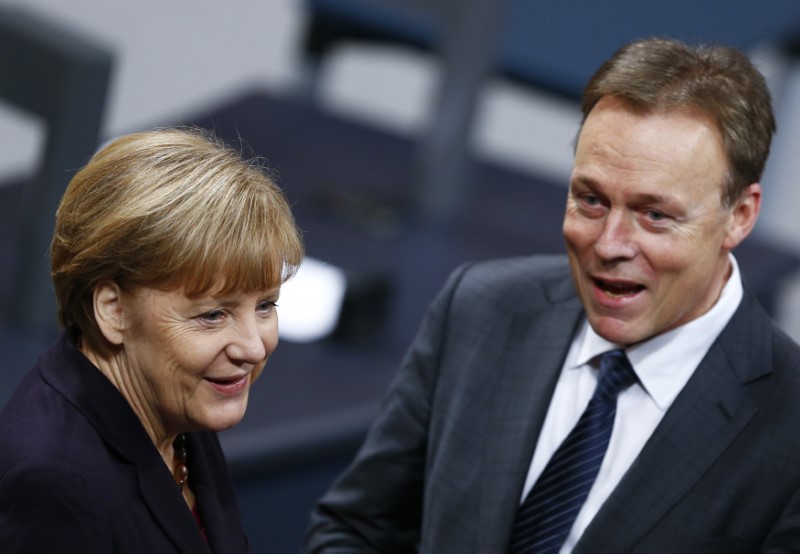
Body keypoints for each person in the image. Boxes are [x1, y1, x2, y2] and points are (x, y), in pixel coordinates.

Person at [304, 37, 800, 552]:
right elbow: (356, 531)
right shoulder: (480, 310)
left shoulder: (789, 430)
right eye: (590, 200)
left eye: (655, 215)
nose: (609, 244)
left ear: (739, 216)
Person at [0, 128, 304, 552]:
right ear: (113, 309)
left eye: (265, 306)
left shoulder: (178, 404)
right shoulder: (54, 484)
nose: (253, 348)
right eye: (214, 314)